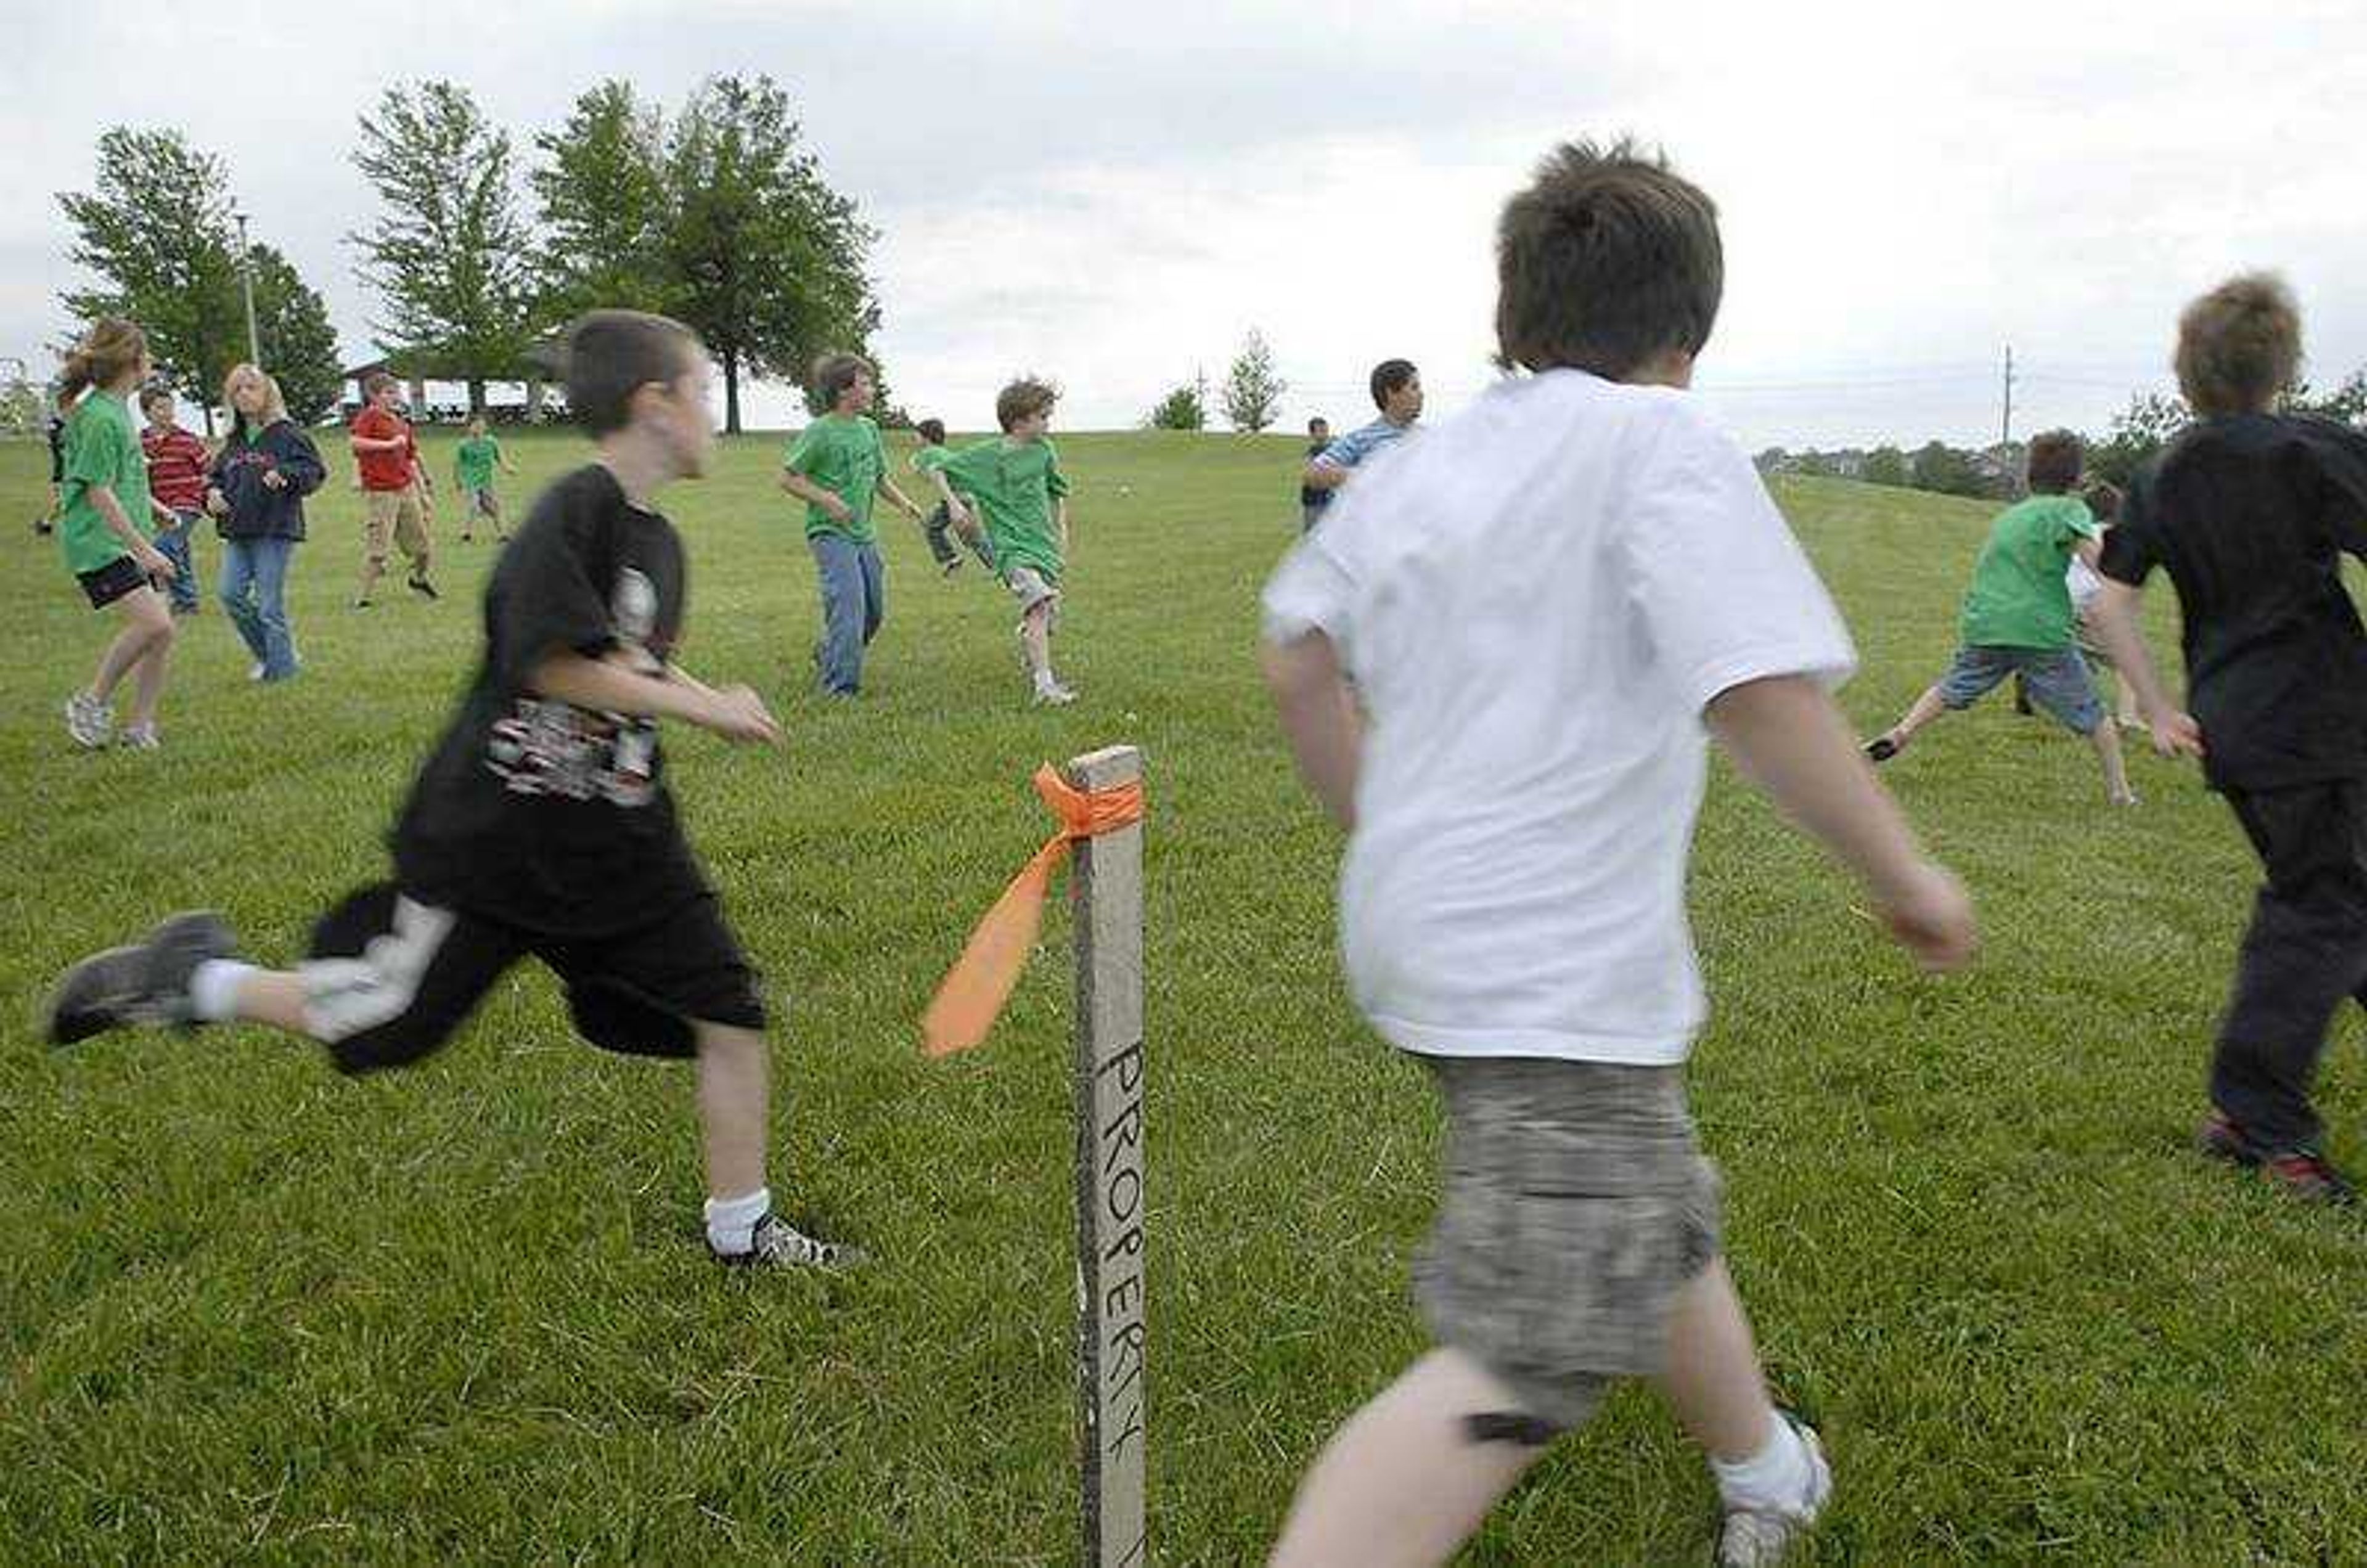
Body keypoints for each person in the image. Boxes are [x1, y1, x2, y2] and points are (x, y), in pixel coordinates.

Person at [1259, 139, 1975, 1568]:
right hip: (1546, 960)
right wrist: (1905, 877)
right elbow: (1759, 690)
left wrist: (1377, 824)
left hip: (1422, 933)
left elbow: (1297, 659)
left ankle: (1765, 1465)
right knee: (1532, 1345)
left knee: (1643, 1204)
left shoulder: (1423, 460)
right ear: (1686, 340)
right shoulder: (1662, 441)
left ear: (1513, 318)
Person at [46, 309, 856, 1271]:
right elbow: (549, 662)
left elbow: (625, 658)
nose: (714, 421)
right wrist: (702, 712)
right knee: (386, 1017)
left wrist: (699, 690)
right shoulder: (575, 510)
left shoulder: (659, 543)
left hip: (623, 844)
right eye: (702, 397)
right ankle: (188, 978)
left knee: (731, 1007)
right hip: (501, 840)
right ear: (656, 406)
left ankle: (743, 1229)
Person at [2087, 273, 2367, 1205]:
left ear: (2186, 373)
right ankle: (2255, 1117)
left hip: (2236, 728)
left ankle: (2254, 1107)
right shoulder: (2311, 451)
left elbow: (2112, 601)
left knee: (2340, 893)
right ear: (2284, 367)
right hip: (2320, 725)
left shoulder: (2162, 473)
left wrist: (2159, 706)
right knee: (2318, 904)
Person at [1862, 432, 2137, 805]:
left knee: (1951, 688)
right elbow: (2098, 564)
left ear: (2029, 476)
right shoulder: (2071, 511)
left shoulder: (2008, 517)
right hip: (2040, 632)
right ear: (2074, 480)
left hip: (1986, 623)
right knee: (2094, 714)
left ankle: (1900, 733)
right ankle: (2121, 791)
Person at [54, 318, 180, 752]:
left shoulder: (115, 413)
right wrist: (144, 550)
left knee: (163, 632)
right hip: (98, 541)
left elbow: (121, 480)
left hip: (122, 536)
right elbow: (97, 490)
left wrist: (155, 509)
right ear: (132, 361)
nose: (152, 363)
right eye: (148, 356)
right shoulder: (99, 418)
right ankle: (90, 702)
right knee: (154, 622)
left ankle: (140, 727)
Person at [918, 377, 1079, 705]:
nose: (1049, 423)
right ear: (1019, 421)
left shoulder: (1045, 451)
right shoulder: (988, 456)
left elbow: (1057, 493)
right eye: (1044, 417)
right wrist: (954, 504)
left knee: (1047, 615)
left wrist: (1062, 532)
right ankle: (1045, 687)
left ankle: (1030, 641)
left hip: (1043, 546)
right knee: (1037, 604)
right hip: (1011, 550)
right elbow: (937, 468)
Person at [779, 353, 929, 696]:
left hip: (864, 535)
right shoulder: (820, 431)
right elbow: (789, 479)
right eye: (865, 383)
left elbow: (879, 478)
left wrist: (905, 503)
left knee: (873, 612)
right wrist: (827, 500)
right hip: (830, 535)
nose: (872, 390)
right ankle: (840, 689)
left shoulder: (869, 430)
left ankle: (831, 652)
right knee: (848, 607)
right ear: (844, 390)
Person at [208, 364, 325, 683]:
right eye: (237, 390)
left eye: (251, 387)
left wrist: (286, 475)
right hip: (237, 529)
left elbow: (314, 473)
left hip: (275, 529)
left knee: (268, 605)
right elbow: (215, 476)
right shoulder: (234, 440)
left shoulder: (288, 435)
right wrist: (213, 493)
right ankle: (272, 656)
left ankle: (283, 673)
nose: (244, 394)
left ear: (267, 393)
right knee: (230, 594)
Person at [348, 370, 438, 606]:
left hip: (406, 489)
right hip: (381, 493)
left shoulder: (401, 424)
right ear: (373, 396)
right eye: (389, 392)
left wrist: (424, 490)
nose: (394, 396)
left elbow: (411, 458)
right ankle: (362, 599)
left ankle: (418, 580)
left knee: (424, 549)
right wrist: (387, 445)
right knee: (378, 551)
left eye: (396, 392)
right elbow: (355, 442)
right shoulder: (369, 417)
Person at [2067, 482, 2141, 730]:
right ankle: (2128, 718)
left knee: (2079, 660)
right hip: (2090, 606)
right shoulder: (2115, 538)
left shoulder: (2077, 532)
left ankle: (2029, 680)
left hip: (2064, 603)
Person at [1301, 360, 1422, 505]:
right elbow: (1313, 474)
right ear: (1391, 393)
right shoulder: (1361, 439)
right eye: (1414, 388)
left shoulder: (1430, 438)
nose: (1421, 394)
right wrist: (1370, 477)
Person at [139, 386, 210, 615]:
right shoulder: (139, 442)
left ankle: (175, 598)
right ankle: (187, 602)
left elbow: (210, 469)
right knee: (179, 552)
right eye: (160, 408)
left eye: (170, 407)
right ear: (146, 412)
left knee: (163, 548)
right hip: (159, 507)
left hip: (187, 504)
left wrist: (212, 493)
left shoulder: (187, 440)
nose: (167, 412)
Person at [909, 418, 994, 574]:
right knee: (937, 528)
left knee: (971, 537)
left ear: (926, 437)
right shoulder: (945, 452)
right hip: (962, 497)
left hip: (955, 500)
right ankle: (953, 558)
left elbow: (919, 470)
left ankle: (996, 565)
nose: (914, 438)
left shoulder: (928, 453)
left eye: (917, 435)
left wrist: (914, 462)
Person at [454, 414, 516, 544]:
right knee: (474, 506)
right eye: (475, 426)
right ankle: (466, 533)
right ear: (469, 428)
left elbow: (500, 457)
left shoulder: (491, 442)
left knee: (494, 508)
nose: (478, 429)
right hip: (471, 482)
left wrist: (507, 468)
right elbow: (458, 465)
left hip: (487, 482)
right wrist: (458, 481)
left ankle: (503, 534)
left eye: (481, 426)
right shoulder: (464, 445)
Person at [1299, 415, 1333, 531]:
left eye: (1326, 430)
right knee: (1311, 532)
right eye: (1321, 431)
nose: (1324, 433)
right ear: (1312, 434)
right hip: (1312, 499)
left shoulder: (1333, 450)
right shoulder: (1311, 452)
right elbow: (1307, 476)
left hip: (1328, 498)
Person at [36, 405, 65, 535]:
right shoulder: (59, 442)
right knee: (61, 504)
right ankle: (45, 523)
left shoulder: (58, 440)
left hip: (63, 475)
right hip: (61, 475)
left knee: (62, 504)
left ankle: (45, 523)